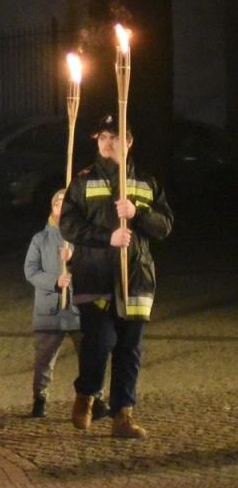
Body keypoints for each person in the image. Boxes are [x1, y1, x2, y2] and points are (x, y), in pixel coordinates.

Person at [59, 114, 173, 440]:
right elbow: (68, 224)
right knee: (100, 340)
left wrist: (139, 214)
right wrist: (106, 237)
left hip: (136, 278)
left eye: (115, 137)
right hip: (94, 275)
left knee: (129, 348)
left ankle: (123, 415)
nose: (108, 143)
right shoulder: (83, 181)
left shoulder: (147, 183)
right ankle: (87, 394)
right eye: (103, 138)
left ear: (129, 142)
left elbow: (165, 226)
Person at [23, 190, 82, 419]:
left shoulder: (80, 238)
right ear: (52, 207)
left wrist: (73, 260)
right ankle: (40, 399)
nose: (61, 208)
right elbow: (30, 271)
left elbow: (94, 267)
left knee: (89, 359)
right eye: (58, 203)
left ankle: (91, 398)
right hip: (49, 311)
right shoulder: (40, 239)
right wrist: (55, 282)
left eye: (66, 204)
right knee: (44, 360)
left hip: (78, 310)